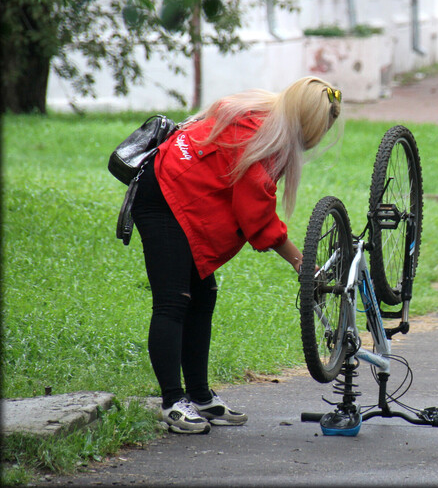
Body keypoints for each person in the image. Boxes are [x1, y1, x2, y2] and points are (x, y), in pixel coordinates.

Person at [131, 76, 342, 434]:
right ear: (306, 122)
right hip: (163, 198)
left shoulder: (262, 111)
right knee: (173, 301)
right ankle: (172, 403)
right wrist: (298, 260)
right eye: (319, 129)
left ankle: (198, 395)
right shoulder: (260, 136)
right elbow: (255, 212)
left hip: (183, 196)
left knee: (202, 296)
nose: (316, 139)